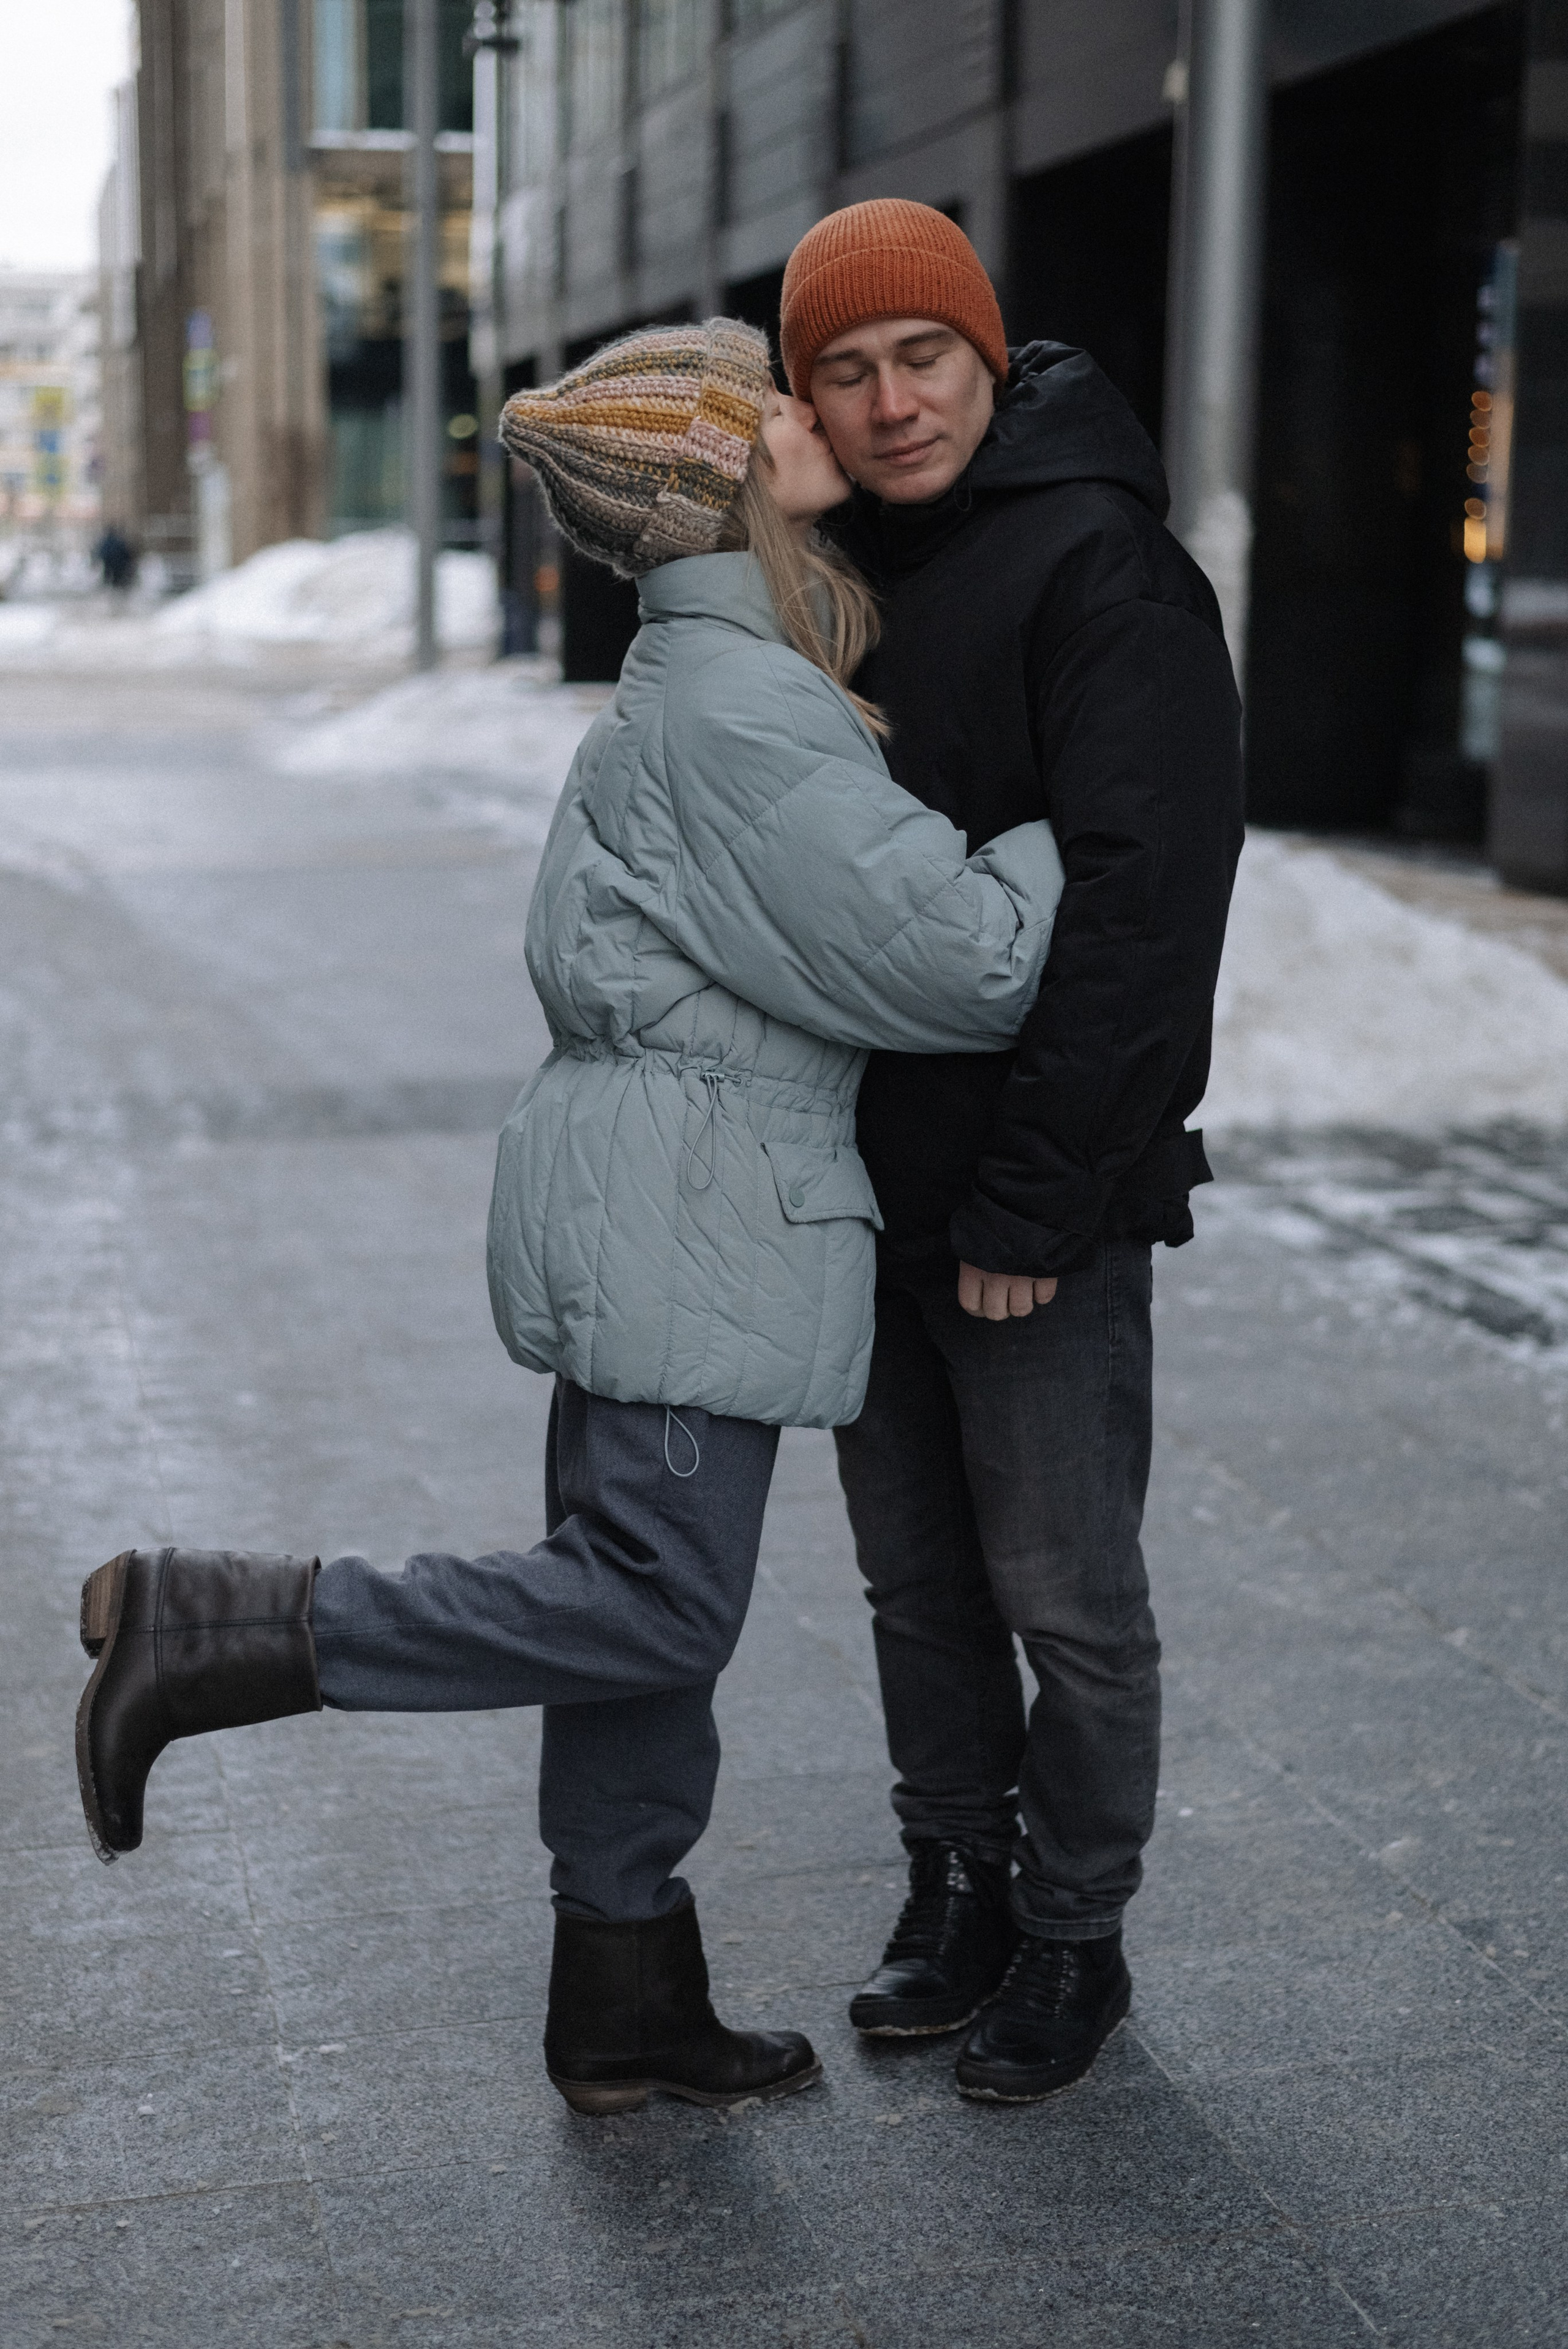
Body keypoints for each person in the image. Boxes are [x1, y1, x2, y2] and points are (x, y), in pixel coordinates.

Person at [73, 319, 1065, 2119]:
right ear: (712, 478)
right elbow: (964, 962)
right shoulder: (742, 707)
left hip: (658, 1199)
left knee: (633, 1616)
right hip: (698, 1209)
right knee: (657, 1605)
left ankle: (621, 2000)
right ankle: (217, 1621)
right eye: (767, 398)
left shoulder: (709, 682)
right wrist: (1068, 824)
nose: (806, 410)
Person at [777, 200, 1245, 2103]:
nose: (894, 405)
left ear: (988, 354)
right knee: (915, 1582)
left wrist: (1039, 1199)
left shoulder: (1103, 563)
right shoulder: (821, 571)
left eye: (926, 360)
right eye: (848, 370)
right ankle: (954, 1880)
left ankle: (1074, 1930)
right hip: (863, 1182)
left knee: (1064, 1587)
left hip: (1037, 1199)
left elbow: (1147, 909)